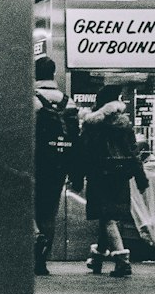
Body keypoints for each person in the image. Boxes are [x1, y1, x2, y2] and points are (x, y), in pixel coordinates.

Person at [75, 89, 148, 278]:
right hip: (121, 175)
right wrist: (140, 177)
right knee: (107, 217)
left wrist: (76, 178)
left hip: (99, 175)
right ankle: (97, 257)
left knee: (107, 217)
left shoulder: (92, 125)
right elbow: (134, 153)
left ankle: (122, 262)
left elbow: (83, 153)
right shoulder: (125, 124)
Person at [33, 56, 79, 275]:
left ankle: (34, 239)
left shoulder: (32, 100)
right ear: (53, 73)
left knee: (28, 208)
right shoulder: (68, 102)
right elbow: (76, 137)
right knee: (49, 212)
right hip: (59, 164)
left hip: (34, 163)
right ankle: (42, 262)